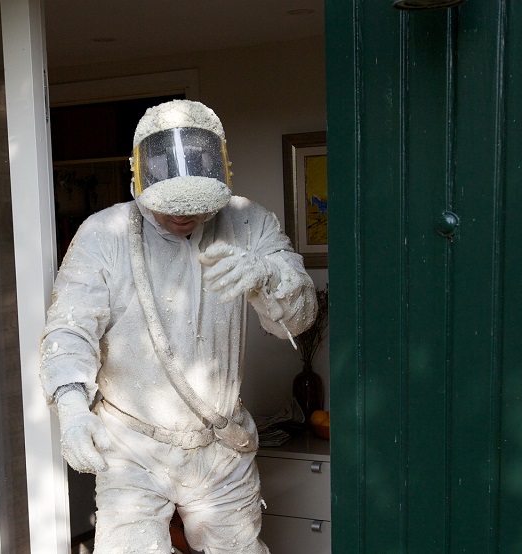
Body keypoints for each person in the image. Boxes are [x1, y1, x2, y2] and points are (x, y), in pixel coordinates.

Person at [40, 99, 317, 554]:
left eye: (198, 207)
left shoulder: (249, 222)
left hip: (220, 447)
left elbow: (300, 317)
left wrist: (269, 279)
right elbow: (70, 331)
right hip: (131, 448)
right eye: (171, 207)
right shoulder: (101, 233)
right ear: (139, 179)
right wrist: (71, 410)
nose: (184, 218)